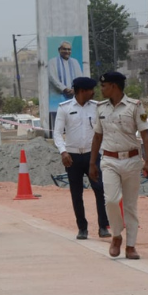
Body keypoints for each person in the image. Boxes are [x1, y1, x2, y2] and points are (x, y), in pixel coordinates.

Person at [89, 72, 148, 260]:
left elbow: (145, 135)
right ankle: (116, 236)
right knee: (110, 200)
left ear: (114, 86)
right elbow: (97, 136)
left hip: (132, 161)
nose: (101, 89)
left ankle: (131, 246)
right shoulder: (100, 108)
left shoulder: (135, 106)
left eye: (104, 86)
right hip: (109, 160)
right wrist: (92, 163)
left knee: (130, 205)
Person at [53, 77, 110, 240]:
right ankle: (82, 228)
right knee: (76, 194)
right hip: (72, 157)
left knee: (100, 189)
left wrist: (103, 152)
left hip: (93, 155)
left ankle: (103, 226)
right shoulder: (64, 108)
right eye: (90, 90)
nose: (93, 92)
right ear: (82, 91)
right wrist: (63, 152)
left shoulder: (97, 107)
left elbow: (103, 131)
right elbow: (57, 133)